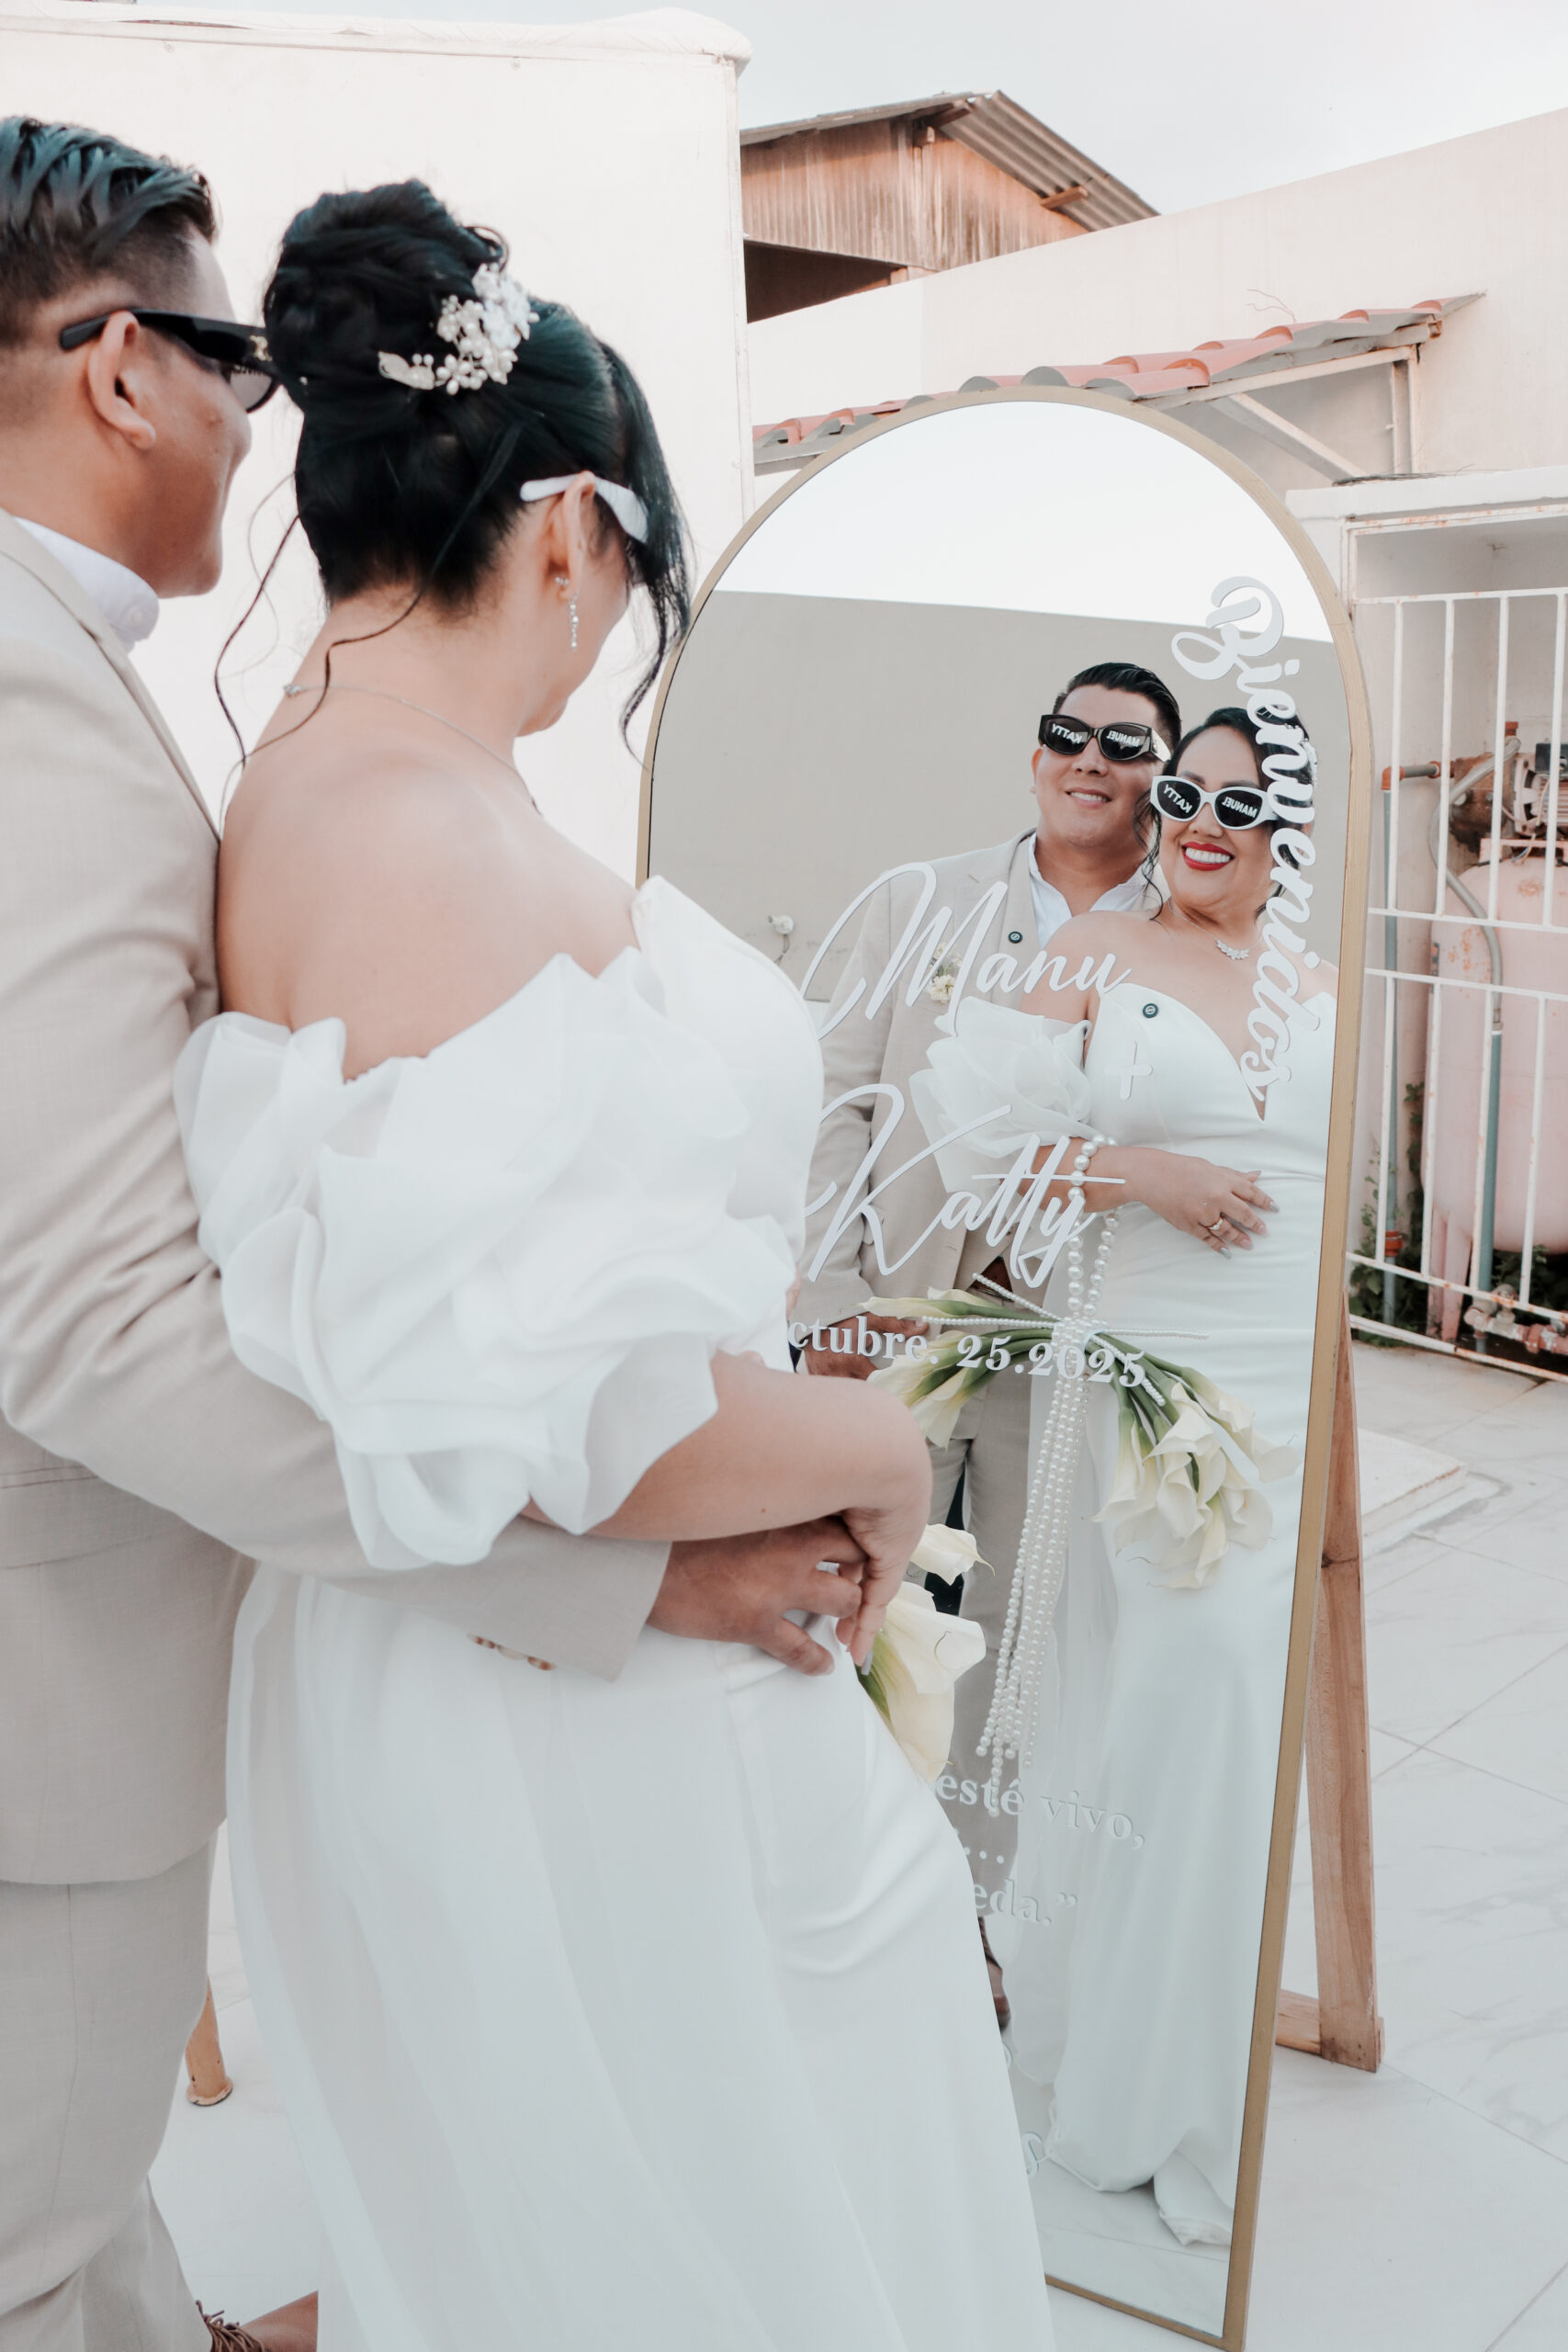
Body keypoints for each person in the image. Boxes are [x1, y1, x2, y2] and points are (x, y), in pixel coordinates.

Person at [0, 119, 883, 2352]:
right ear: (118, 375)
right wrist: (687, 1534)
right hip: (97, 1724)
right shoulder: (50, 717)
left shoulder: (187, 738)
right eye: (228, 363)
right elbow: (101, 1331)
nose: (256, 422)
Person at [174, 178, 1055, 2352]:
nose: (611, 625)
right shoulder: (409, 830)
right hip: (564, 1713)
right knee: (727, 2248)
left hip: (524, 1666)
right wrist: (880, 1449)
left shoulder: (346, 784)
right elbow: (574, 1404)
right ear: (569, 526)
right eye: (631, 570)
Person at [915, 704, 1335, 2248]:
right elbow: (973, 1142)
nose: (1204, 815)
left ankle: (1196, 2079)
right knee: (1155, 1700)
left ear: (1291, 825)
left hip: (1283, 1391)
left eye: (1244, 796)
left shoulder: (1322, 988)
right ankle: (1115, 2081)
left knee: (1228, 1719)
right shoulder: (1097, 954)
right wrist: (1136, 1169)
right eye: (1187, 789)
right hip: (1147, 1379)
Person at [796, 661, 1180, 1986]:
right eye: (1066, 734)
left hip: (1059, 1344)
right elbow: (831, 1097)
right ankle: (834, 1894)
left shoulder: (1185, 933)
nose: (1089, 757)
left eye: (1124, 744)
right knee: (855, 1601)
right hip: (897, 1321)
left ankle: (968, 1934)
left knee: (1006, 1645)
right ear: (1036, 756)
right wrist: (831, 1300)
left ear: (1162, 774)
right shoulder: (924, 902)